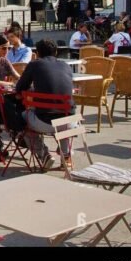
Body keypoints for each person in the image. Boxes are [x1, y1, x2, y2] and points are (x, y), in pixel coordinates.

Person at [15, 39, 75, 169]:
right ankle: (66, 156)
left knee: (20, 119)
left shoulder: (34, 65)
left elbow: (19, 88)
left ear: (37, 53)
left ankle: (43, 154)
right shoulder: (66, 66)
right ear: (56, 52)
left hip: (46, 122)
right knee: (62, 116)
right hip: (72, 122)